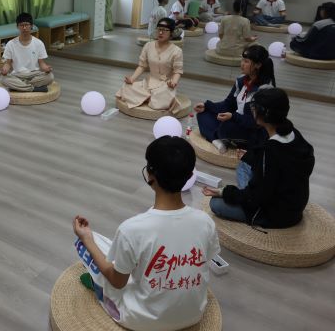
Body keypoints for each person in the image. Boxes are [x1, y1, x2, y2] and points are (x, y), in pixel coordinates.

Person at [73, 136, 220, 331]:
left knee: (99, 246)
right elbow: (204, 262)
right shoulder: (206, 222)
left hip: (142, 320)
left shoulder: (131, 229)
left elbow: (117, 282)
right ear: (190, 175)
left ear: (150, 175)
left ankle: (99, 288)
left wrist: (87, 239)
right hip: (194, 314)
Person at [203, 88, 314, 229]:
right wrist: (252, 158)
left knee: (216, 203)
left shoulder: (270, 151)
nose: (252, 110)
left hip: (276, 214)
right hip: (294, 202)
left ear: (263, 113)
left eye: (254, 107)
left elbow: (257, 196)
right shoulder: (293, 133)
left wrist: (224, 192)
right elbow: (280, 166)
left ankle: (244, 196)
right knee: (245, 163)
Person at [195, 45, 276, 153]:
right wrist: (207, 106)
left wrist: (233, 117)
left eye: (246, 61)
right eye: (242, 60)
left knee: (226, 126)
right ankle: (216, 140)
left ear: (258, 65)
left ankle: (215, 137)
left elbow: (256, 122)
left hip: (251, 131)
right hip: (235, 120)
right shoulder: (242, 80)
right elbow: (227, 104)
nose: (242, 64)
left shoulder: (265, 89)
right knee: (203, 114)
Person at [116, 18, 185, 114]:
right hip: (149, 82)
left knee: (162, 97)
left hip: (165, 85)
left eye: (165, 30)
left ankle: (147, 97)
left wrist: (173, 82)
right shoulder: (148, 45)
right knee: (126, 87)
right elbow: (142, 66)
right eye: (159, 29)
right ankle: (150, 97)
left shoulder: (176, 51)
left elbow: (177, 71)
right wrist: (132, 79)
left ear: (171, 33)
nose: (160, 32)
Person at [0, 12, 53, 92]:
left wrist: (46, 68)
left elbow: (41, 63)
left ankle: (20, 86)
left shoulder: (38, 43)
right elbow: (8, 63)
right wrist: (4, 70)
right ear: (17, 26)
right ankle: (34, 88)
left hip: (34, 74)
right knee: (3, 79)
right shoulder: (11, 44)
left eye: (26, 25)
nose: (24, 28)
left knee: (50, 77)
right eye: (21, 25)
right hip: (18, 74)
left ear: (31, 26)